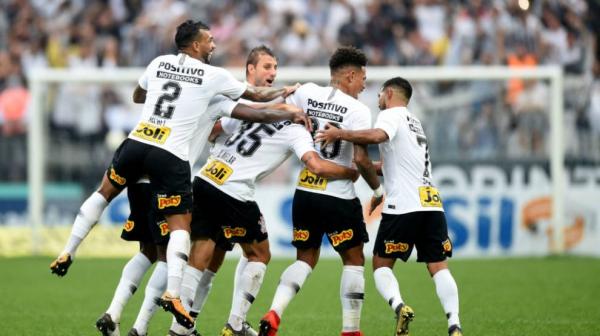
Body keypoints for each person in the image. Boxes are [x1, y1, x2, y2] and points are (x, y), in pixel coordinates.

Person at [49, 19, 308, 331]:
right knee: (171, 247)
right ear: (196, 44)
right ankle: (157, 316)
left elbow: (137, 95)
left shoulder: (159, 62)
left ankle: (85, 272)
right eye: (210, 40)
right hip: (170, 164)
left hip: (137, 150)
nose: (214, 45)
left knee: (139, 241)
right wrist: (288, 103)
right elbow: (256, 104)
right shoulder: (214, 81)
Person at [316, 77, 463, 336]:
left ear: (390, 93)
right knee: (438, 266)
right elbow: (394, 166)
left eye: (381, 93)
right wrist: (360, 168)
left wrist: (339, 133)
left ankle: (400, 306)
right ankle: (454, 324)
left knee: (381, 265)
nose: (378, 98)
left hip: (403, 206)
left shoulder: (391, 115)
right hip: (431, 204)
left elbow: (376, 136)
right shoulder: (414, 122)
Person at [258, 46, 383, 336]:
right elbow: (360, 160)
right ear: (350, 75)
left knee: (305, 259)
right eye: (363, 77)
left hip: (304, 193)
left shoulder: (307, 92)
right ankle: (351, 331)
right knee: (353, 260)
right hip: (338, 196)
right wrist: (376, 188)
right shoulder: (359, 110)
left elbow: (279, 102)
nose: (364, 84)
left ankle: (275, 311)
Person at [169, 45, 283, 336]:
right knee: (258, 252)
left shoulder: (257, 103)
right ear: (250, 69)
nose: (272, 73)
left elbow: (217, 128)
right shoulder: (231, 95)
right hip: (228, 188)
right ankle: (235, 323)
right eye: (267, 66)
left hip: (207, 180)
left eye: (274, 68)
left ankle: (181, 327)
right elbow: (212, 126)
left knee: (209, 258)